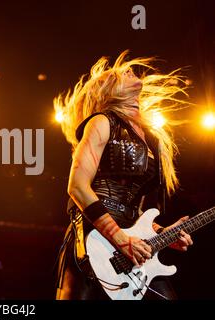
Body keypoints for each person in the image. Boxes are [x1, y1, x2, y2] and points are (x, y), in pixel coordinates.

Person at [54, 51, 193, 300]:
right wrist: (120, 239)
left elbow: (134, 210)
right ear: (108, 91)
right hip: (95, 241)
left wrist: (162, 233)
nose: (129, 71)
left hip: (131, 242)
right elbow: (77, 187)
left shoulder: (151, 139)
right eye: (120, 74)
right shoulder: (101, 122)